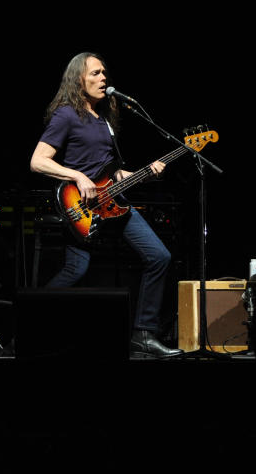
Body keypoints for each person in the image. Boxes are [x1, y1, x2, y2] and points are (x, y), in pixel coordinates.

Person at [29, 52, 181, 358]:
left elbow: (113, 173)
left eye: (104, 74)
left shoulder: (105, 120)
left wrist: (144, 174)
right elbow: (37, 161)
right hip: (79, 204)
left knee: (159, 257)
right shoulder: (66, 114)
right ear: (78, 79)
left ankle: (143, 334)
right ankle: (31, 323)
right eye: (95, 74)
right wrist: (78, 177)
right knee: (76, 269)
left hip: (113, 202)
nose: (103, 79)